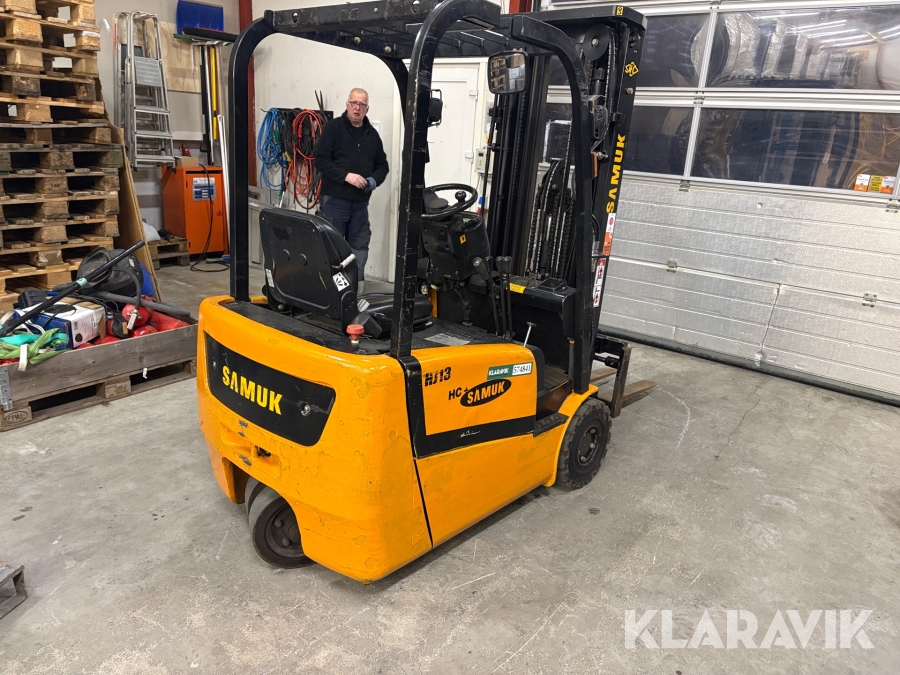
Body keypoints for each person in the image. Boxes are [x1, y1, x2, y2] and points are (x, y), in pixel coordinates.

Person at [314, 88, 389, 289]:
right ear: (347, 105)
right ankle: (330, 291)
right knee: (333, 246)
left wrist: (372, 181)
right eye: (354, 103)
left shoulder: (372, 136)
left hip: (360, 204)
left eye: (362, 104)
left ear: (367, 109)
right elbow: (321, 160)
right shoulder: (333, 129)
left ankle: (357, 290)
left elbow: (383, 166)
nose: (357, 107)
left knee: (360, 246)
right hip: (334, 201)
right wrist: (346, 176)